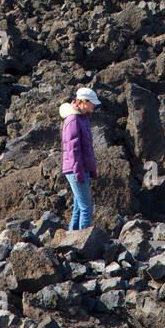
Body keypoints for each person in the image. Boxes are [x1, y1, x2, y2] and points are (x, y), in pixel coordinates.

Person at [58, 87, 100, 231]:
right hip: (75, 169)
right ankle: (83, 241)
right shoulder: (73, 120)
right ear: (83, 101)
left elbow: (86, 148)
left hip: (81, 169)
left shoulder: (83, 118)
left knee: (78, 207)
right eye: (92, 103)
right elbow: (73, 150)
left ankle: (72, 240)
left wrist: (90, 169)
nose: (94, 106)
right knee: (86, 207)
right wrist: (79, 172)